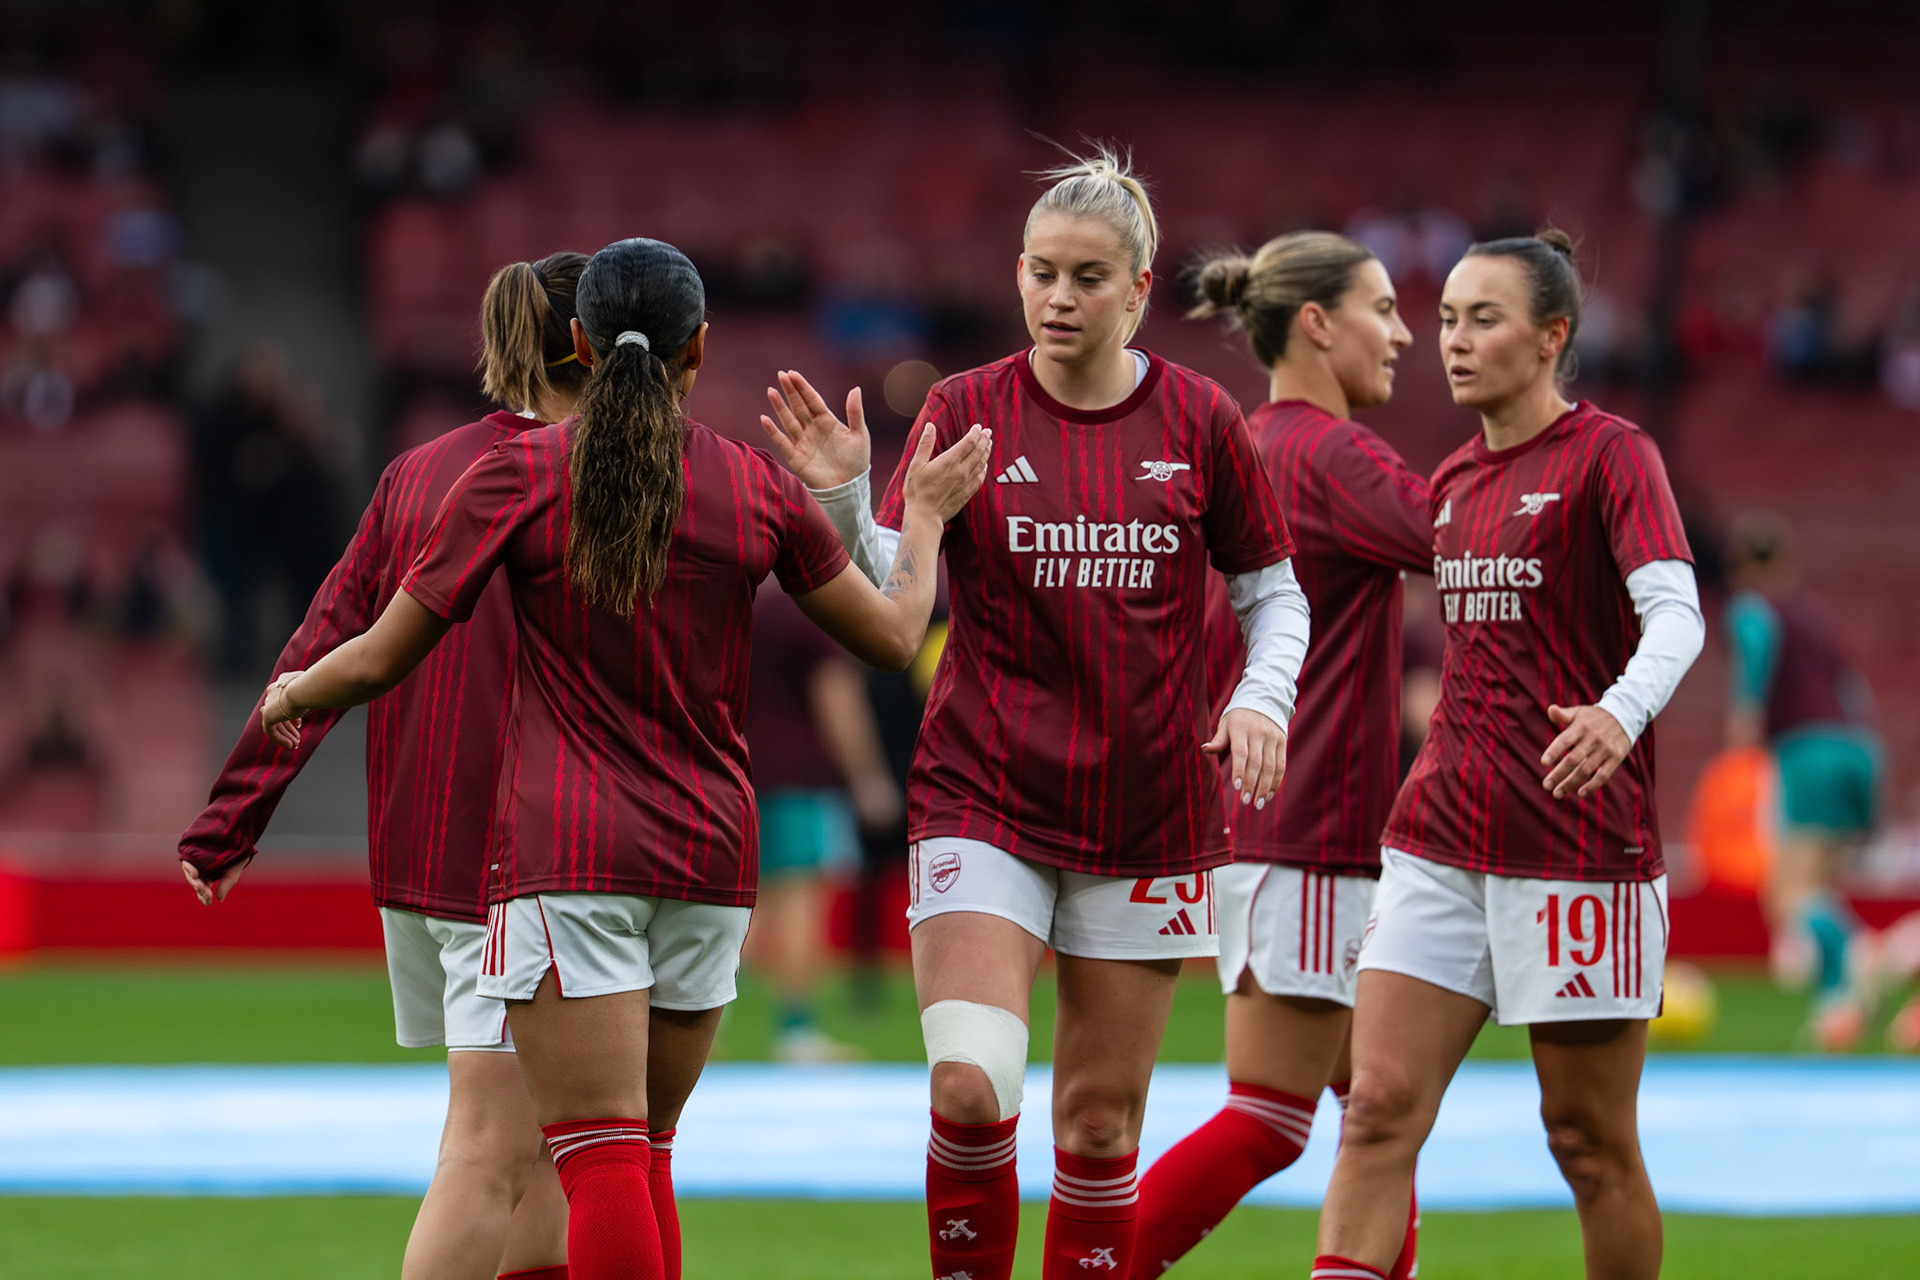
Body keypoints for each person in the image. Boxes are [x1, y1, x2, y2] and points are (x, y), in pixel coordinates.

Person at [249, 236, 992, 1280]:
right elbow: (893, 627)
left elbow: (379, 655)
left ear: (580, 346)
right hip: (710, 856)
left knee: (596, 1157)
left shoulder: (516, 477)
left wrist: (291, 694)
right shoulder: (751, 486)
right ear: (700, 348)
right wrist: (907, 508)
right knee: (645, 1152)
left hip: (565, 852)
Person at [760, 145, 1310, 1280]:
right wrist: (845, 496)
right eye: (1042, 272)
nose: (1060, 297)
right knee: (971, 1084)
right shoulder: (965, 408)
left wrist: (1260, 696)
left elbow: (1274, 590)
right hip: (984, 791)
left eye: (1088, 277)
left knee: (1101, 1127)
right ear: (1016, 275)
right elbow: (893, 604)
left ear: (1140, 288)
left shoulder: (1203, 420)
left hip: (1149, 803)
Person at [179, 251, 593, 1280]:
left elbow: (322, 639)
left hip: (421, 849)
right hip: (531, 859)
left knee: (546, 1142)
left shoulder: (417, 472)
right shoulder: (602, 477)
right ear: (595, 345)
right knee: (495, 1148)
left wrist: (235, 813)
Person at [1309, 230, 1705, 1280]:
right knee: (1377, 1110)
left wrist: (1619, 713)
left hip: (1576, 847)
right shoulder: (1449, 478)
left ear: (1552, 336)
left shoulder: (1616, 455)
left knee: (1586, 1142)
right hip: (1438, 836)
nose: (1452, 339)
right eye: (1445, 318)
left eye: (1484, 317)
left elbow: (1677, 614)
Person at [1130, 232, 1428, 1278]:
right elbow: (1476, 546)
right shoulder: (1332, 453)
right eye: (1382, 308)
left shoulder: (1245, 442)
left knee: (1380, 1112)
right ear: (1315, 322)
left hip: (1261, 823)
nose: (1402, 333)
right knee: (1271, 1116)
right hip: (1313, 829)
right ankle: (1091, 1264)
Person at [1723, 510, 1884, 1048]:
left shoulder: (1754, 607)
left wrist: (1746, 716)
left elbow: (1756, 656)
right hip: (1857, 749)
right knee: (1822, 889)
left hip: (1806, 751)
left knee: (1789, 895)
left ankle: (1857, 951)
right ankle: (1837, 1005)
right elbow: (1853, 685)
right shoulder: (1816, 611)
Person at [743, 582, 901, 1061]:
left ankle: (693, 1023)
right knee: (799, 901)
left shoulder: (737, 598)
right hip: (802, 777)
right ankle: (797, 1031)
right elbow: (838, 702)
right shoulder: (814, 610)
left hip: (737, 770)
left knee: (748, 908)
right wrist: (870, 778)